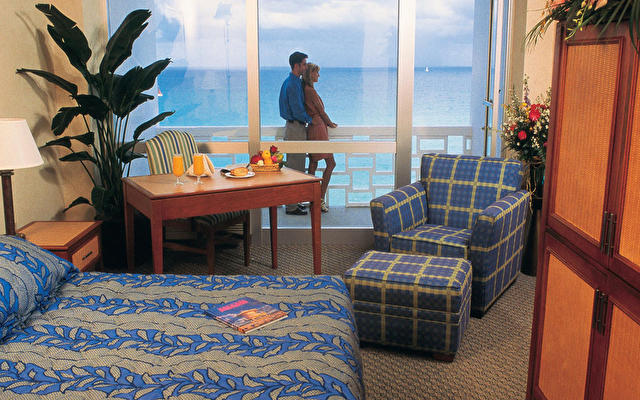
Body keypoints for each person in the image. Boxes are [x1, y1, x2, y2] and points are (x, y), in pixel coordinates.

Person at [279, 51, 312, 215]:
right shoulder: (292, 84)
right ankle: (291, 206)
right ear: (297, 65)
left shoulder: (292, 81)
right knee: (294, 168)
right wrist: (311, 120)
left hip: (294, 127)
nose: (306, 67)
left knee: (297, 167)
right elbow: (297, 110)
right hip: (295, 128)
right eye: (304, 64)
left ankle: (295, 202)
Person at [302, 63, 337, 213]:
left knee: (313, 163)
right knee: (330, 163)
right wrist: (330, 123)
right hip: (318, 128)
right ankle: (319, 199)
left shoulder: (306, 89)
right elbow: (321, 111)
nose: (318, 75)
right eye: (317, 73)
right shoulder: (310, 91)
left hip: (314, 127)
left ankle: (313, 200)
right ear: (311, 74)